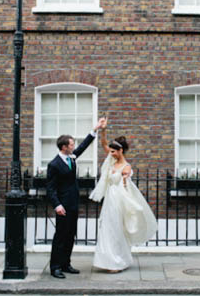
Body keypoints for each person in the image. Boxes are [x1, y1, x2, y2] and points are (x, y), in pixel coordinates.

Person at [89, 121, 157, 273]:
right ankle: (106, 260)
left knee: (117, 230)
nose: (110, 153)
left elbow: (126, 182)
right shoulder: (112, 159)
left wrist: (126, 178)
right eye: (111, 151)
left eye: (113, 152)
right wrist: (104, 129)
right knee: (107, 228)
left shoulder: (126, 166)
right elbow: (104, 143)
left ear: (120, 151)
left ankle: (118, 262)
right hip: (110, 199)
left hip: (119, 199)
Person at [47, 117, 106, 279]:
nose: (74, 146)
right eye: (71, 144)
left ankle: (66, 264)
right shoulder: (54, 164)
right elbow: (50, 188)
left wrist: (95, 130)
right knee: (60, 236)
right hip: (63, 206)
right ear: (64, 147)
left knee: (70, 235)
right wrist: (57, 205)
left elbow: (83, 147)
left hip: (73, 204)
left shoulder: (71, 157)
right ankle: (55, 267)